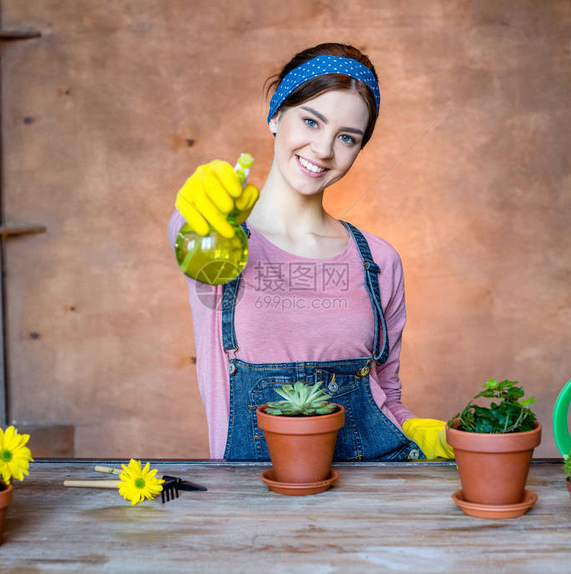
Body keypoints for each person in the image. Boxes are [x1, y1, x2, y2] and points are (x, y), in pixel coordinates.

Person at [168, 43, 453, 461]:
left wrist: (420, 433)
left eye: (346, 138)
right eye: (310, 121)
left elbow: (386, 395)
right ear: (275, 116)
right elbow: (195, 243)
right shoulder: (219, 233)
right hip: (255, 503)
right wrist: (198, 210)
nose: (323, 150)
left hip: (374, 496)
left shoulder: (379, 261)